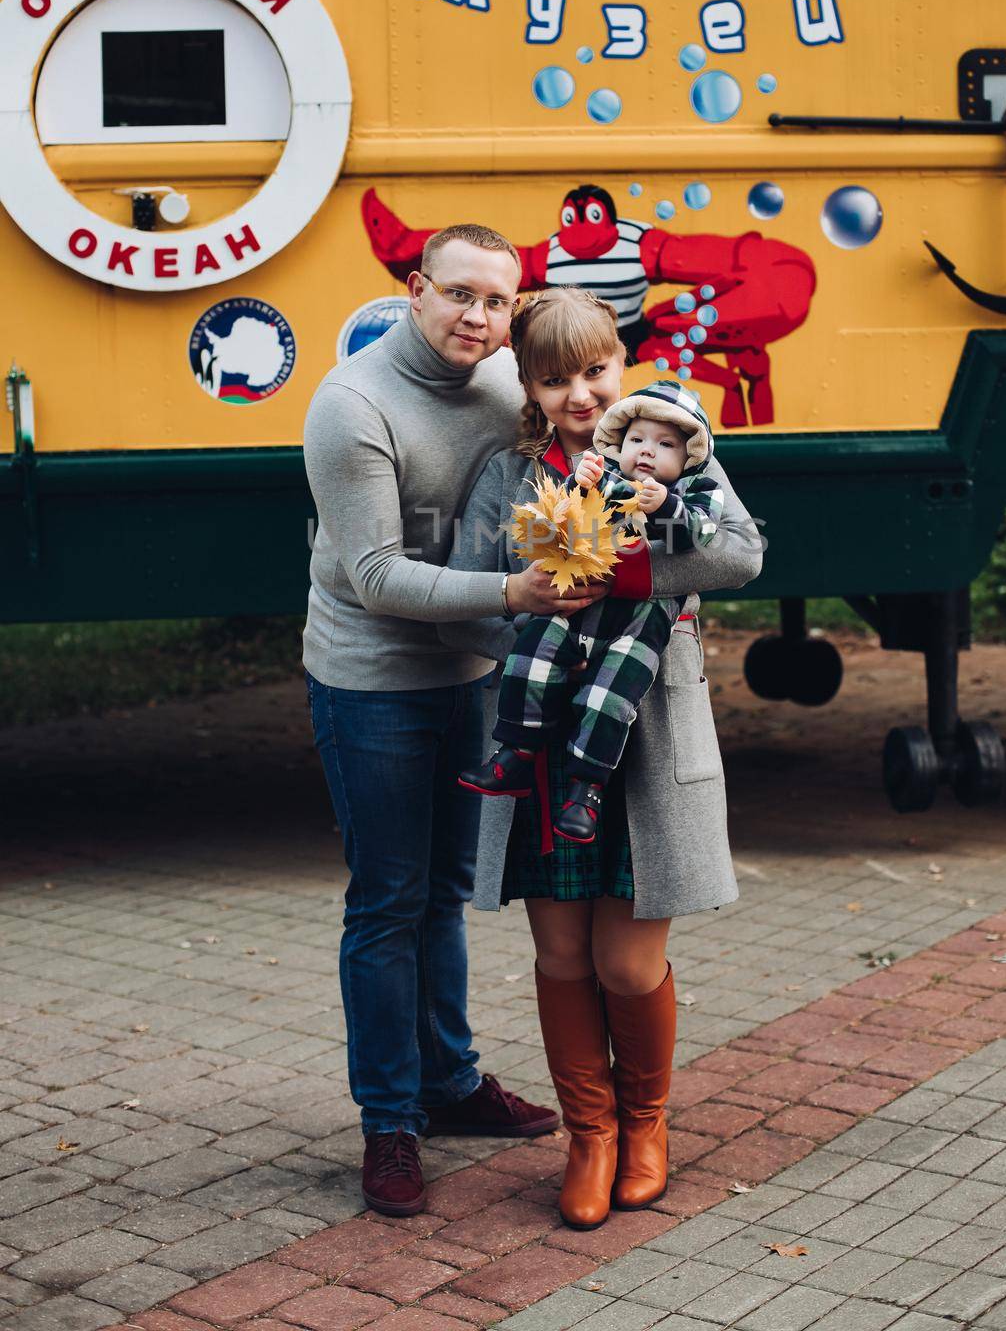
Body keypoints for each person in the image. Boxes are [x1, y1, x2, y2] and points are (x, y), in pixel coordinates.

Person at [302, 225, 613, 1219]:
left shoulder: (499, 386)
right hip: (373, 679)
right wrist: (518, 594)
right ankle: (389, 1119)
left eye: (497, 302)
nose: (477, 317)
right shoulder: (350, 404)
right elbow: (375, 574)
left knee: (446, 891)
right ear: (413, 289)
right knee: (387, 900)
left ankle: (449, 1081)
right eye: (458, 294)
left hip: (474, 669)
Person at [437, 287, 764, 1230]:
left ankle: (646, 1122)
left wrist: (621, 567)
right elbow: (474, 599)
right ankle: (592, 1134)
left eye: (594, 371)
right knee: (562, 951)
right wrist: (533, 608)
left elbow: (738, 556)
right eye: (553, 379)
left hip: (644, 734)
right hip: (542, 738)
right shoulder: (510, 473)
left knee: (626, 963)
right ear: (527, 388)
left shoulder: (676, 444)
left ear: (620, 364)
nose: (579, 394)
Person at [458, 379, 726, 846]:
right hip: (579, 611)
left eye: (665, 445)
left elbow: (701, 538)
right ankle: (516, 751)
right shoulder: (604, 475)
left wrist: (666, 506)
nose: (646, 452)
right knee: (531, 656)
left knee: (608, 697)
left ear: (688, 455)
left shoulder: (696, 487)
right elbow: (561, 523)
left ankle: (587, 789)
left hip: (642, 623)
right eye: (638, 440)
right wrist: (577, 488)